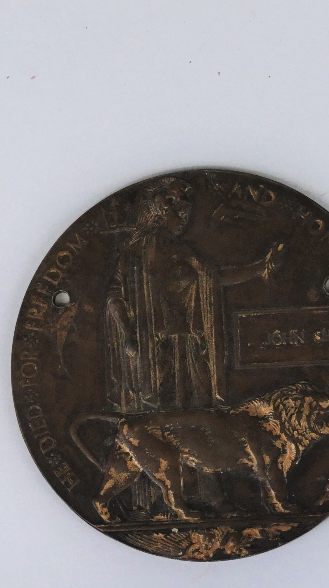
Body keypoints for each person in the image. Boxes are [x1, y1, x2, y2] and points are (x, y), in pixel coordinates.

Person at [105, 177, 283, 413]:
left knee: (193, 413)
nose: (184, 222)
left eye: (187, 216)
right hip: (152, 347)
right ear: (161, 211)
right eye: (179, 214)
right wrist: (128, 333)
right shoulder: (132, 257)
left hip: (188, 344)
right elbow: (115, 296)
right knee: (156, 413)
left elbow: (213, 278)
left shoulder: (184, 252)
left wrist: (258, 268)